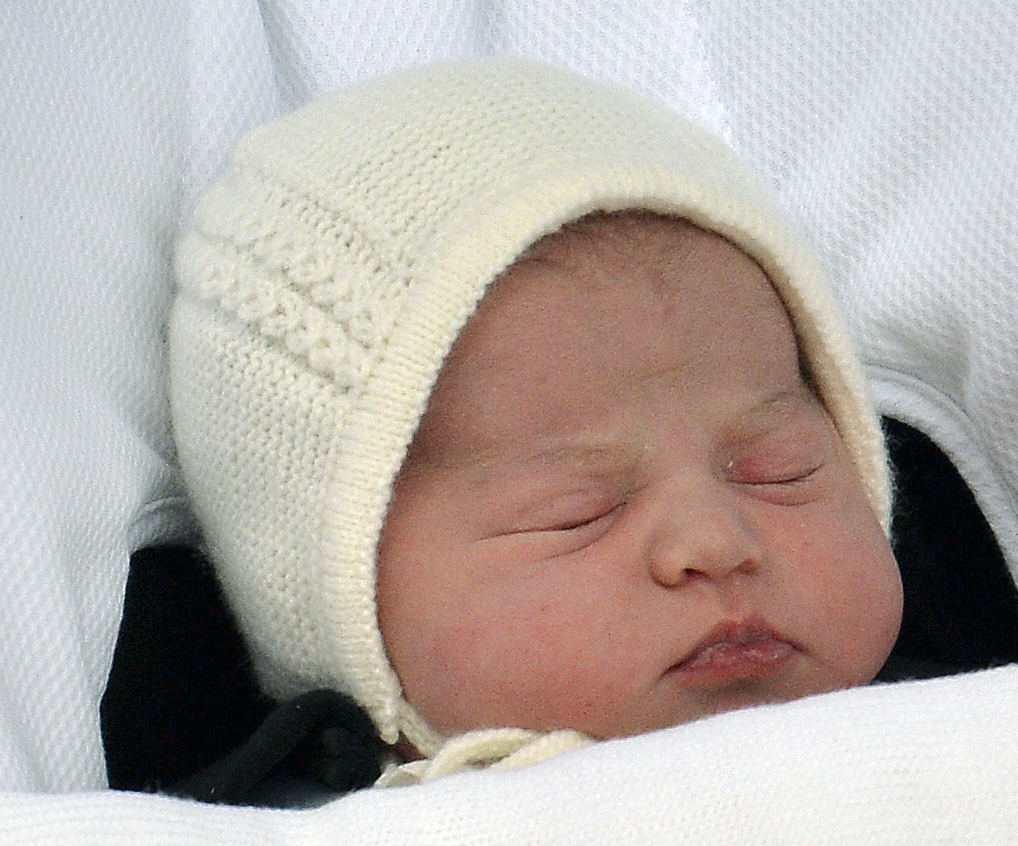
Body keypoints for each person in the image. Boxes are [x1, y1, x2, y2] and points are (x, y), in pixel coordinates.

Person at [170, 56, 902, 787]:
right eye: (576, 511)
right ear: (345, 608)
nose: (715, 543)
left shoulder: (959, 728)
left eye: (781, 469)